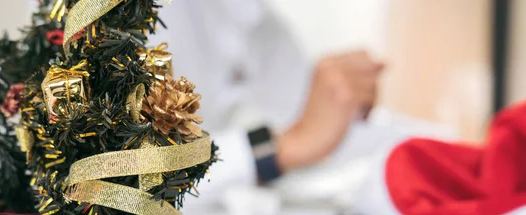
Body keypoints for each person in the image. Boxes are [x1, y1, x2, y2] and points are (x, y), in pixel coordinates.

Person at [154, 0, 384, 202]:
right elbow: (131, 182)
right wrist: (278, 150)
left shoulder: (251, 14)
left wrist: (345, 103)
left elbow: (304, 118)